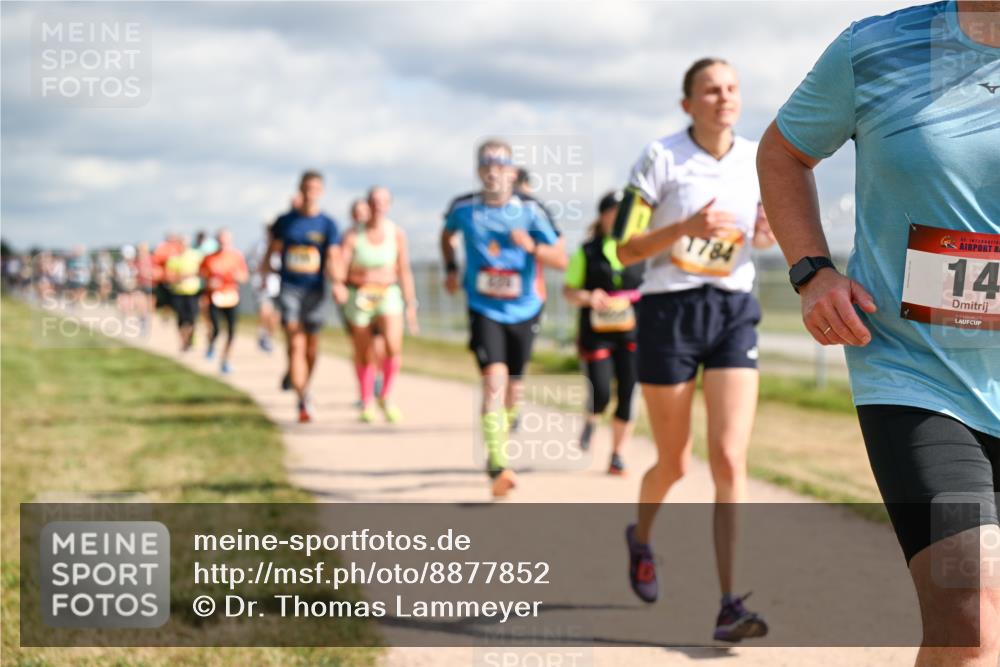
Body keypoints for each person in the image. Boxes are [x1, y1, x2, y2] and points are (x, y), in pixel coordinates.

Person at [757, 3, 1000, 664]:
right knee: (969, 616)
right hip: (919, 376)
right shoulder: (875, 49)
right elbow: (783, 153)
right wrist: (812, 272)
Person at [614, 58, 777, 641]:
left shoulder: (759, 158)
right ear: (688, 104)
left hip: (733, 311)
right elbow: (623, 248)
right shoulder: (660, 157)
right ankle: (641, 538)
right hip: (670, 313)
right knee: (676, 462)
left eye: (732, 88)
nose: (724, 97)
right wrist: (684, 226)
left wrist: (766, 233)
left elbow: (763, 234)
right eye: (710, 90)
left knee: (730, 458)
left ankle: (731, 603)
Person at [441, 138, 566, 498]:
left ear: (512, 172)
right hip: (484, 308)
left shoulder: (531, 210)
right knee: (493, 382)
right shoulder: (462, 208)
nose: (493, 171)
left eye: (501, 164)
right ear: (479, 170)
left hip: (525, 309)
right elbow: (446, 236)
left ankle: (502, 435)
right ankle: (498, 463)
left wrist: (532, 247)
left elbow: (561, 259)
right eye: (487, 164)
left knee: (514, 388)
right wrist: (451, 268)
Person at [562, 191, 643, 475]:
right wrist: (589, 297)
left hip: (634, 333)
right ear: (603, 216)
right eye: (614, 213)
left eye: (624, 214)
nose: (619, 219)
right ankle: (591, 418)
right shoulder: (587, 251)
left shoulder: (642, 248)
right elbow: (568, 291)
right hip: (596, 333)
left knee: (628, 392)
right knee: (601, 392)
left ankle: (617, 455)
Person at [336, 186, 419, 423]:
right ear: (368, 203)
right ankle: (366, 401)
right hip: (359, 295)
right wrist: (339, 284)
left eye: (383, 201)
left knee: (392, 345)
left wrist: (410, 303)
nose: (378, 205)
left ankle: (386, 395)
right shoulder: (353, 234)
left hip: (388, 293)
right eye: (374, 200)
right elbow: (342, 265)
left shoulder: (396, 233)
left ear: (389, 205)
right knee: (363, 351)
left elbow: (404, 269)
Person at [264, 171, 342, 423]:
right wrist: (265, 272)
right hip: (290, 288)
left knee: (311, 346)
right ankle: (302, 399)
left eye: (315, 188)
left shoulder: (327, 224)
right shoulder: (285, 221)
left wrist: (338, 283)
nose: (310, 193)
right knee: (296, 343)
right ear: (300, 189)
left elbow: (333, 257)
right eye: (307, 188)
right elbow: (273, 248)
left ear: (321, 191)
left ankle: (302, 382)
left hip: (315, 291)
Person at [200, 229, 249, 374]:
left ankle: (225, 360)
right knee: (215, 329)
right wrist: (209, 282)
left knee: (231, 331)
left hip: (231, 297)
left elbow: (244, 277)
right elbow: (201, 274)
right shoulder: (209, 258)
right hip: (214, 297)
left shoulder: (236, 256)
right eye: (221, 240)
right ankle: (211, 344)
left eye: (226, 240)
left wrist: (237, 276)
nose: (223, 243)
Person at [165, 235, 204, 352]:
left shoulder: (196, 256)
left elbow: (203, 271)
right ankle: (183, 341)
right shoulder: (173, 258)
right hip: (178, 292)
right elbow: (168, 277)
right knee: (181, 319)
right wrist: (180, 277)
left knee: (192, 318)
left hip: (193, 292)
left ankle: (189, 339)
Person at [249, 222, 282, 353]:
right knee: (264, 311)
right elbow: (252, 263)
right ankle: (262, 333)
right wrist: (262, 273)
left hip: (278, 286)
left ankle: (268, 336)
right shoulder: (259, 245)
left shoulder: (282, 244)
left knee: (275, 317)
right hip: (262, 285)